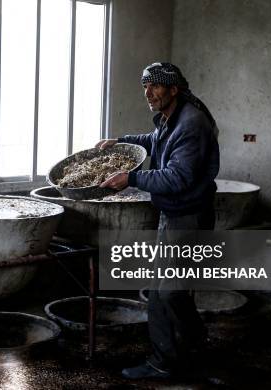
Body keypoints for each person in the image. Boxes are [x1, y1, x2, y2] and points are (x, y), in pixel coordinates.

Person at [97, 62, 220, 380]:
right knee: (161, 289)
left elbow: (178, 176)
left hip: (188, 216)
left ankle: (178, 354)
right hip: (174, 212)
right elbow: (155, 141)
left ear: (174, 89)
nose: (148, 93)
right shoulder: (172, 116)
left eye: (155, 86)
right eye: (145, 86)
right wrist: (121, 142)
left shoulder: (191, 124)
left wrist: (131, 178)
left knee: (168, 291)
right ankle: (182, 349)